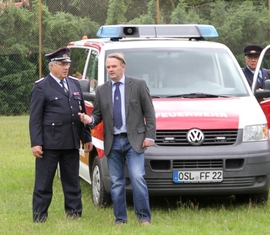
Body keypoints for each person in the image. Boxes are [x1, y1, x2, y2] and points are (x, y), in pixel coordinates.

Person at [78, 53, 156, 225]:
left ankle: (144, 218)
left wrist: (150, 136)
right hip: (112, 142)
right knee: (116, 183)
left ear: (123, 67)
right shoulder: (102, 90)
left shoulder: (138, 85)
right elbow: (97, 115)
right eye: (108, 67)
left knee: (137, 178)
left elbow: (150, 113)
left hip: (134, 141)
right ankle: (120, 219)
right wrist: (89, 120)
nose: (111, 69)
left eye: (114, 66)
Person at [29, 47, 92, 223]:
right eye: (62, 64)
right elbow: (35, 118)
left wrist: (86, 137)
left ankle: (74, 214)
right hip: (49, 144)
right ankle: (40, 216)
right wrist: (36, 143)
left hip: (71, 141)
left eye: (68, 64)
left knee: (72, 181)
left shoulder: (74, 84)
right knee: (44, 183)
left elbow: (82, 112)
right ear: (52, 67)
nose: (66, 67)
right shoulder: (41, 86)